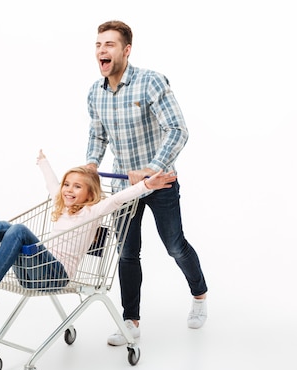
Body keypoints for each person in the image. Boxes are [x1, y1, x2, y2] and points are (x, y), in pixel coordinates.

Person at [0, 150, 176, 317]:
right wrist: (43, 161)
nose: (68, 190)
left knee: (18, 230)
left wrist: (146, 184)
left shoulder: (94, 210)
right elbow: (51, 183)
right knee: (8, 227)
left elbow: (121, 197)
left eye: (77, 187)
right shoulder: (62, 203)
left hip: (57, 275)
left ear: (90, 194)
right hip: (33, 271)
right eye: (67, 184)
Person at [84, 20, 209, 346]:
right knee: (127, 253)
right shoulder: (95, 92)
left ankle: (199, 295)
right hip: (125, 185)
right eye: (98, 45)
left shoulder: (150, 82)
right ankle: (131, 321)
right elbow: (98, 134)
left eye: (109, 45)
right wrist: (91, 163)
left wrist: (152, 170)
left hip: (161, 180)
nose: (102, 51)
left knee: (174, 245)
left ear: (126, 50)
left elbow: (178, 129)